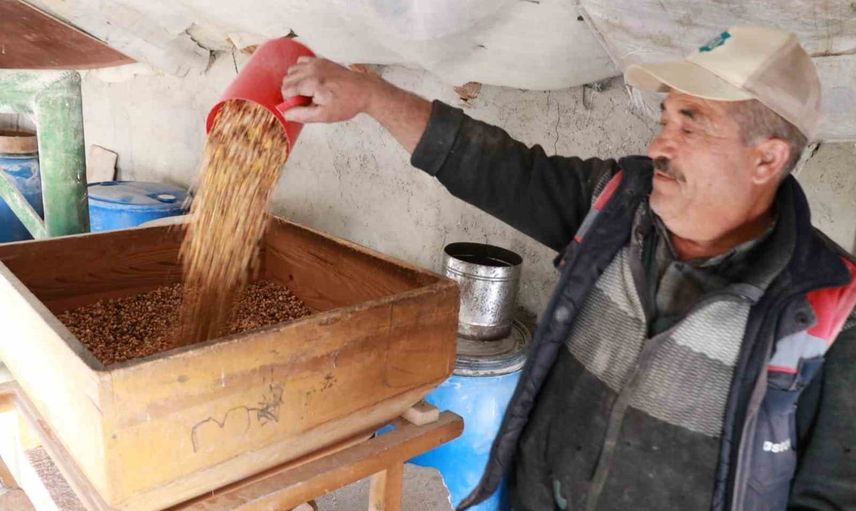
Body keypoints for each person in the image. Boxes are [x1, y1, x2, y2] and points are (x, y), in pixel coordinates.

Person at [281, 26, 856, 511]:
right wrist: (371, 94)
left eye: (691, 123)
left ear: (766, 158)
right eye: (665, 118)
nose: (660, 145)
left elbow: (834, 493)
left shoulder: (832, 308)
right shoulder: (616, 206)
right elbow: (494, 167)